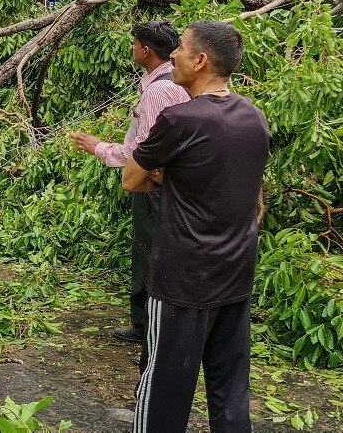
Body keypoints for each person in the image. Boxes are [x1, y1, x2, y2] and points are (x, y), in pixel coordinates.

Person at [122, 21, 271, 433]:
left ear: (201, 60)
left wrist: (170, 175)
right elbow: (253, 194)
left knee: (164, 389)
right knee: (229, 391)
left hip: (182, 280)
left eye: (182, 49)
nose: (172, 56)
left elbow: (132, 179)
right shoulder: (254, 118)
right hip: (237, 275)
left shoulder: (179, 119)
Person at [69, 20, 189, 346]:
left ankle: (148, 332)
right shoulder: (176, 82)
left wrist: (99, 148)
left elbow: (144, 153)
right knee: (157, 255)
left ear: (146, 50)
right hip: (177, 188)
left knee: (150, 256)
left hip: (154, 187)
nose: (133, 48)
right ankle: (153, 327)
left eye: (135, 43)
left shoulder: (158, 91)